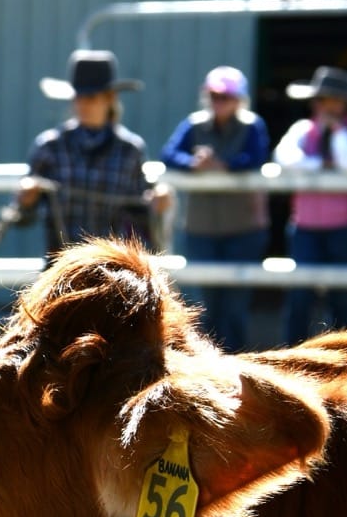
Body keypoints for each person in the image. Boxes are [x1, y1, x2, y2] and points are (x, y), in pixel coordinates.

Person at [159, 65, 270, 350]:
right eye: (214, 95)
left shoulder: (252, 126)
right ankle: (206, 363)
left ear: (238, 99)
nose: (218, 101)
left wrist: (225, 166)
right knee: (203, 306)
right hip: (201, 227)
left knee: (234, 307)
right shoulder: (194, 124)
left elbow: (256, 156)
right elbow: (169, 154)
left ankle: (235, 362)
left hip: (241, 227)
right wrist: (193, 163)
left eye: (225, 96)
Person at [273, 65, 347, 344]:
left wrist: (336, 130)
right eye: (322, 99)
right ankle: (293, 358)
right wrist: (320, 164)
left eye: (333, 99)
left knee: (342, 300)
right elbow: (285, 158)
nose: (327, 105)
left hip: (346, 228)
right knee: (299, 300)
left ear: (346, 104)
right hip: (305, 227)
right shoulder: (301, 130)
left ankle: (342, 360)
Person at [17, 49, 158, 253]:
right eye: (78, 97)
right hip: (59, 263)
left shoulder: (130, 151)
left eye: (90, 97)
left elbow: (143, 219)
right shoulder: (50, 146)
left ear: (109, 98)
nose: (82, 104)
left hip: (111, 266)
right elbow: (23, 218)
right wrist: (26, 198)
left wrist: (157, 204)